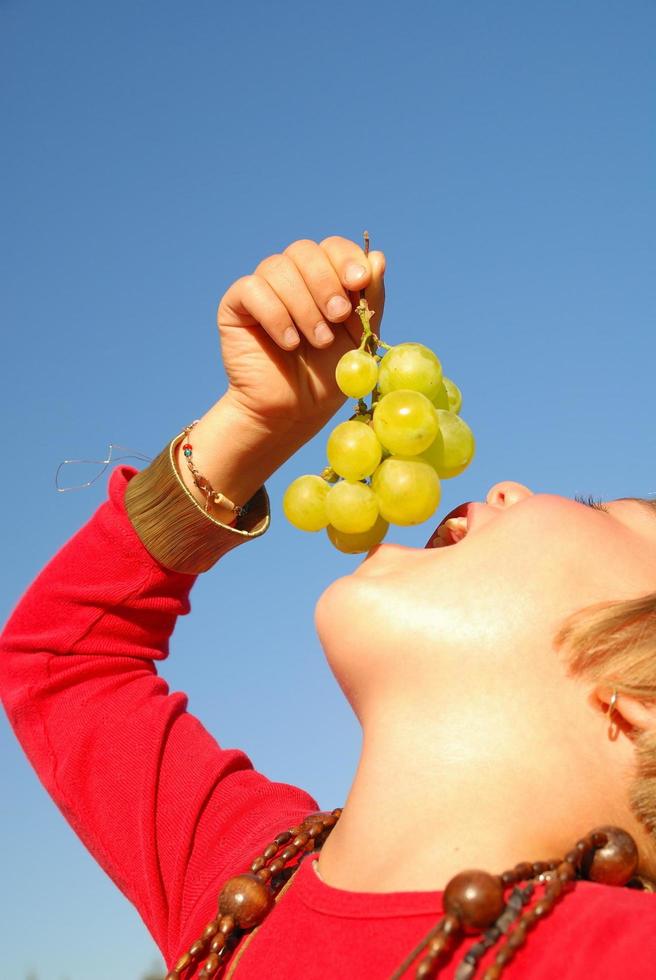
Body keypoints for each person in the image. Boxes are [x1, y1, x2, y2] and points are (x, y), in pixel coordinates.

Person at [1, 234, 656, 980]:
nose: (508, 486)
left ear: (640, 694)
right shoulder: (247, 885)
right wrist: (253, 424)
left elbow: (62, 663)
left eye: (596, 507)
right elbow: (65, 658)